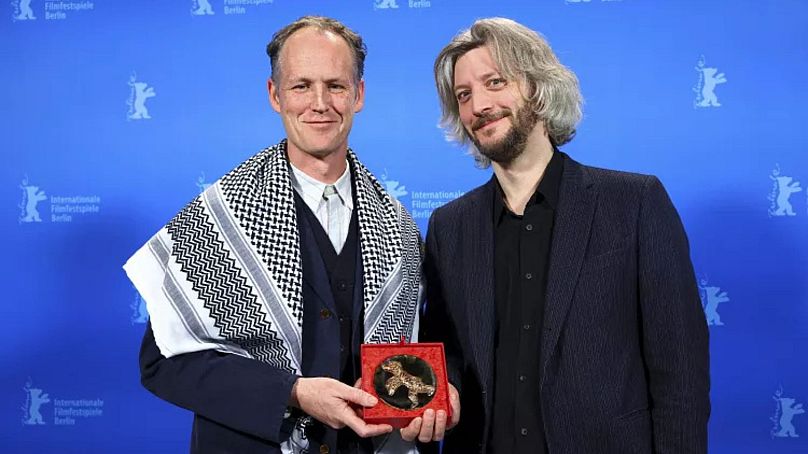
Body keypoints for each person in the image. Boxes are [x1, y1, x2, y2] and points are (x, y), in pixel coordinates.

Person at [124, 16, 442, 454]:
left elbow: (414, 363)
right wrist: (291, 392)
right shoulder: (219, 219)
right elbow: (163, 363)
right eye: (301, 86)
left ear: (359, 95)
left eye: (336, 85)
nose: (319, 103)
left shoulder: (400, 228)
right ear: (275, 95)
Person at [419, 17, 710, 454]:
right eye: (464, 95)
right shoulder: (449, 227)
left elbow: (680, 377)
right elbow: (448, 355)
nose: (479, 104)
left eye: (495, 82)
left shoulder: (634, 203)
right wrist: (446, 391)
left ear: (537, 87)